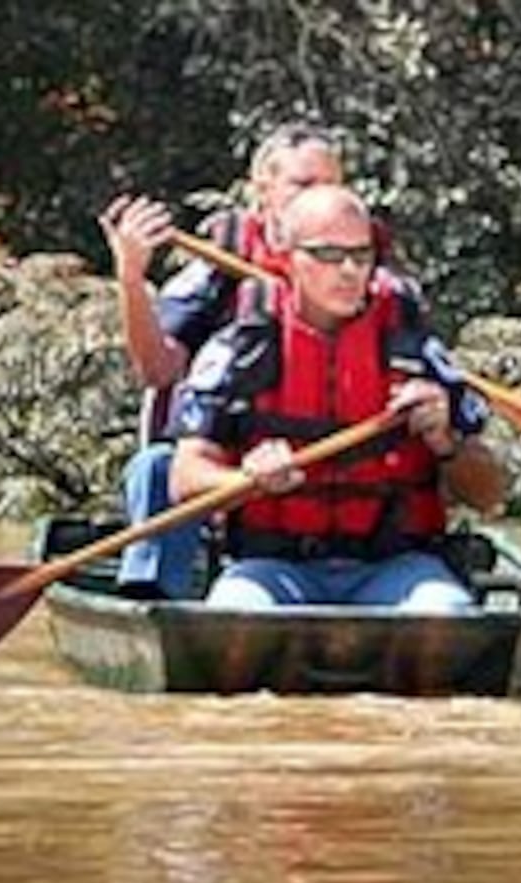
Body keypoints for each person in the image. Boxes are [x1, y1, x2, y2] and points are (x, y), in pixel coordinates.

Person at [169, 183, 503, 610]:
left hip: (395, 566)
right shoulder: (237, 350)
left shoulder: (420, 355)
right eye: (328, 255)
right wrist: (245, 482)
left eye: (361, 255)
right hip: (272, 566)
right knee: (236, 617)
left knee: (446, 614)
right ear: (287, 257)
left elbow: (489, 495)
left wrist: (445, 440)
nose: (349, 270)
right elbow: (185, 477)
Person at [95, 122, 387, 598]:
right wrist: (131, 277)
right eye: (303, 184)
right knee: (157, 467)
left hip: (325, 459)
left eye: (331, 185)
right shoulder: (218, 265)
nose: (319, 197)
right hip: (223, 453)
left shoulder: (361, 270)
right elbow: (157, 371)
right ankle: (156, 602)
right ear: (262, 190)